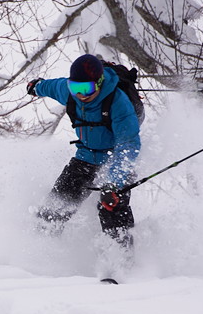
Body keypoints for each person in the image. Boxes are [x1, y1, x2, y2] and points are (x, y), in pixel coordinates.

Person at [26, 54, 141, 248]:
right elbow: (52, 86)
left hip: (115, 158)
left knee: (111, 207)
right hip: (86, 156)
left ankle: (120, 262)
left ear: (99, 83)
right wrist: (36, 87)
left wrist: (113, 183)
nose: (81, 94)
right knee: (55, 207)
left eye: (86, 88)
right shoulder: (68, 91)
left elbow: (128, 146)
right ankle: (38, 254)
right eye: (76, 88)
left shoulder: (118, 103)